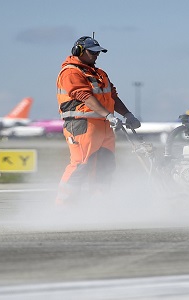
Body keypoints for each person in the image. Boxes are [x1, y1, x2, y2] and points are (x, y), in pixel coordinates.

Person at [55, 36, 141, 204]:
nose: (96, 55)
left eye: (98, 52)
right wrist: (108, 115)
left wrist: (127, 114)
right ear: (79, 51)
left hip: (104, 126)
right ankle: (64, 205)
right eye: (92, 52)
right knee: (81, 165)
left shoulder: (99, 73)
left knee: (105, 165)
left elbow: (113, 96)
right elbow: (83, 96)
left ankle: (99, 204)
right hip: (82, 125)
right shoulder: (71, 72)